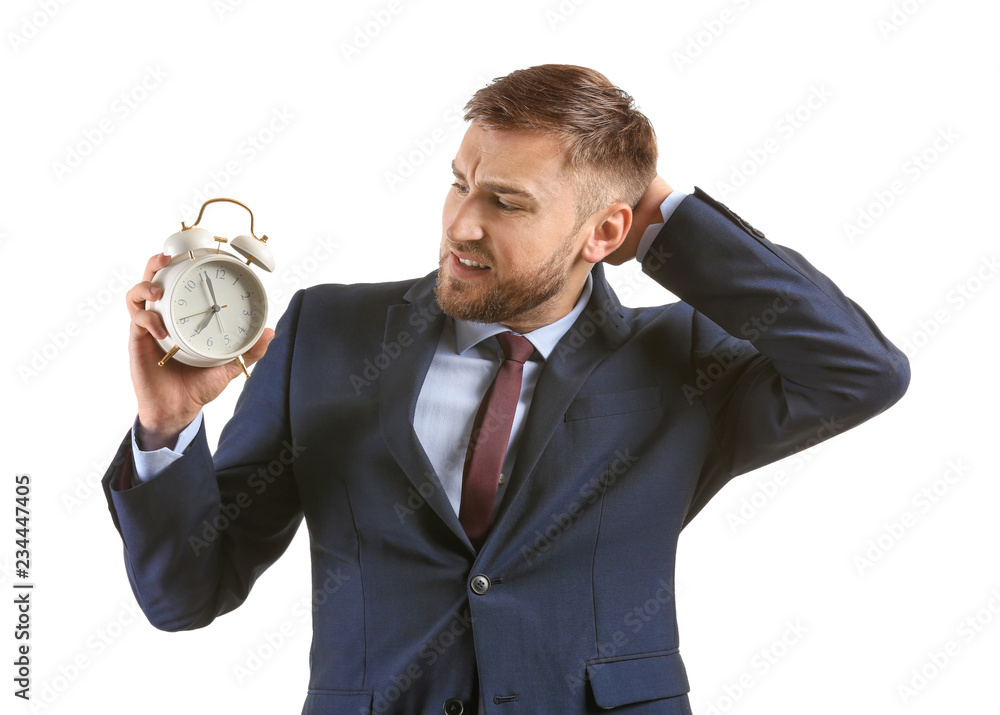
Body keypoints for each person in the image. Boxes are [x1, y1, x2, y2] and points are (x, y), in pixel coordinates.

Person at [101, 64, 910, 714]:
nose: (461, 223)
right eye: (460, 183)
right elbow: (184, 596)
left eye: (506, 201)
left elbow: (862, 369)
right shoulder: (326, 332)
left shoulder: (683, 363)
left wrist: (663, 211)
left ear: (605, 233)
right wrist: (167, 429)